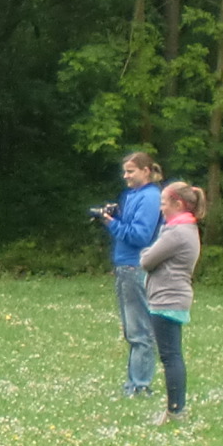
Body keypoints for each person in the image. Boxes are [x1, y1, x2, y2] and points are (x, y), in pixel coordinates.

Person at [93, 152, 163, 396]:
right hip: (124, 266)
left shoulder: (151, 197)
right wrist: (115, 216)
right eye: (125, 171)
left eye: (131, 171)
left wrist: (111, 223)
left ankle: (140, 385)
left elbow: (140, 236)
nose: (126, 176)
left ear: (146, 171)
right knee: (131, 329)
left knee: (140, 329)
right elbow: (128, 226)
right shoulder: (131, 195)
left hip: (136, 266)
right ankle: (134, 382)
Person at [137, 180, 204, 425]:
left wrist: (146, 253)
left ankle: (176, 411)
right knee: (171, 354)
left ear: (178, 204)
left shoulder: (176, 233)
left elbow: (146, 260)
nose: (161, 208)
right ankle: (176, 409)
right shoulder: (186, 229)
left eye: (164, 203)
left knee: (170, 356)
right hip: (173, 296)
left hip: (167, 298)